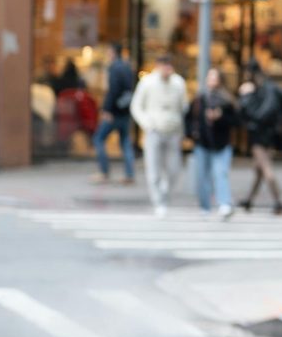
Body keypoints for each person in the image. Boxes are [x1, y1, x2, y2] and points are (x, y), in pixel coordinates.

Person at [129, 51, 187, 216]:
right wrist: (147, 123)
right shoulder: (147, 82)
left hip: (173, 131)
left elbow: (183, 107)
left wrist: (181, 129)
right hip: (154, 130)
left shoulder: (178, 83)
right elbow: (136, 106)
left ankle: (164, 194)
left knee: (174, 169)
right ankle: (158, 201)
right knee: (153, 169)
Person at [237, 65, 282, 215]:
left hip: (260, 135)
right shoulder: (270, 87)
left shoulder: (258, 89)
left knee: (266, 169)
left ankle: (279, 202)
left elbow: (245, 111)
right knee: (258, 170)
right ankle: (249, 200)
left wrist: (245, 96)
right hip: (270, 133)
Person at [187, 66, 237, 218]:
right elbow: (189, 119)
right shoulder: (200, 99)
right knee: (202, 176)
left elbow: (236, 121)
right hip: (202, 144)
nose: (212, 81)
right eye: (210, 77)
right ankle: (205, 206)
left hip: (221, 144)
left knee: (220, 173)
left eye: (215, 78)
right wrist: (191, 135)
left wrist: (220, 117)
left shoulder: (227, 100)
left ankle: (224, 203)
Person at [92, 42, 137, 185]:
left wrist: (107, 110)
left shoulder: (114, 68)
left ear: (113, 52)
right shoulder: (127, 67)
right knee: (125, 142)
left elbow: (113, 91)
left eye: (108, 51)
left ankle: (104, 172)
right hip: (125, 111)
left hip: (114, 112)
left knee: (98, 138)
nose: (107, 54)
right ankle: (129, 174)